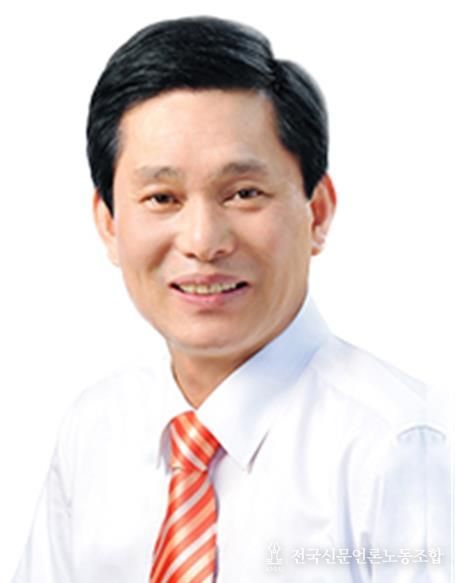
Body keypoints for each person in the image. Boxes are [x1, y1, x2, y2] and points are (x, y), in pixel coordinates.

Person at [13, 16, 450, 583]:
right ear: (109, 224)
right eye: (162, 198)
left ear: (317, 213)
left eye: (244, 193)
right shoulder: (94, 430)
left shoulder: (402, 449)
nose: (203, 242)